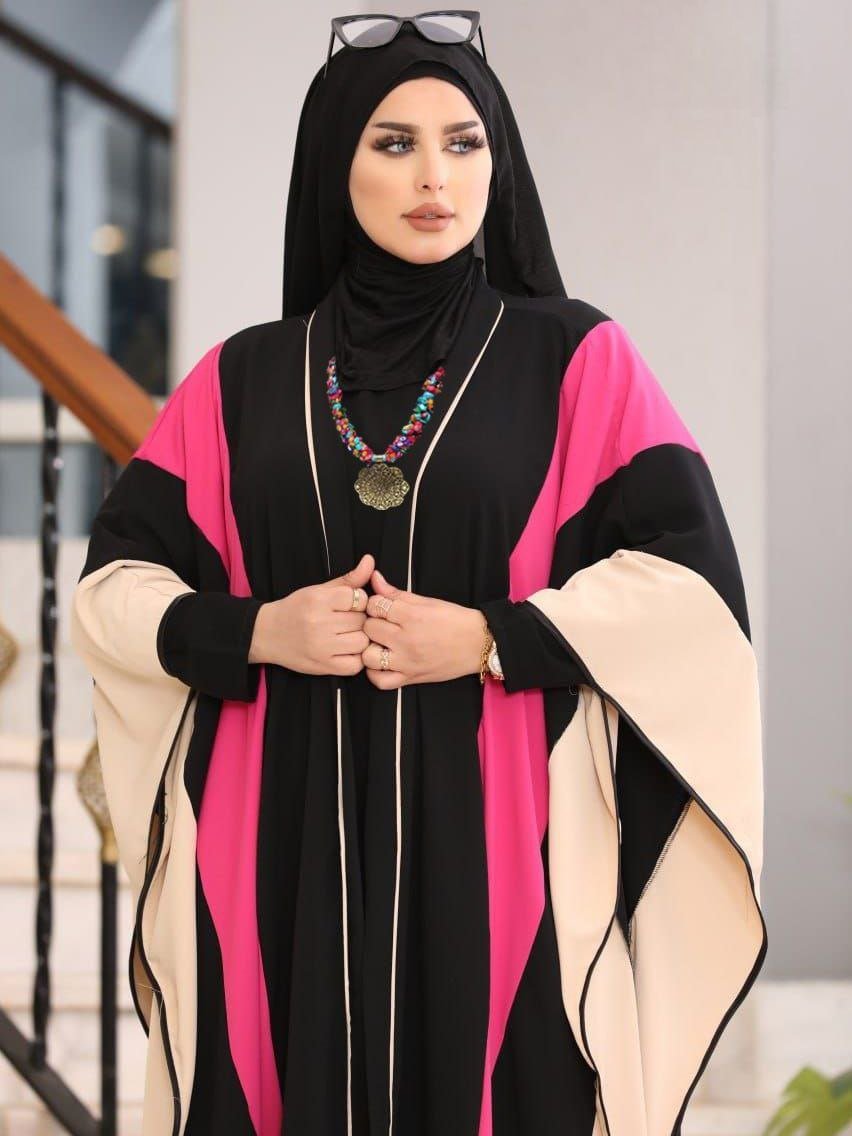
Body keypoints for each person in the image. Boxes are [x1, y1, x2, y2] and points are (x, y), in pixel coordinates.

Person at [70, 15, 767, 1136]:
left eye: (464, 142)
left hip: (508, 844)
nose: (436, 176)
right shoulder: (241, 379)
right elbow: (113, 591)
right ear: (334, 164)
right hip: (276, 846)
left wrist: (493, 636)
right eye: (394, 144)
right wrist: (258, 631)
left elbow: (692, 585)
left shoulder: (575, 360)